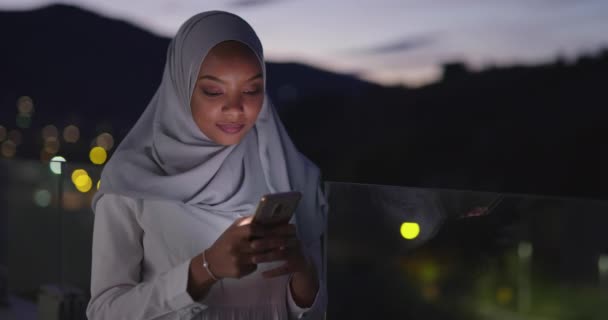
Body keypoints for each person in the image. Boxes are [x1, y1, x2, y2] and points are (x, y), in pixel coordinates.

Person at [86, 11, 327, 320]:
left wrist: (304, 274)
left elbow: (316, 311)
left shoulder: (291, 173)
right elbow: (103, 312)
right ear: (181, 87)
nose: (235, 109)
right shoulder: (133, 181)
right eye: (213, 91)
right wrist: (204, 269)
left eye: (252, 90)